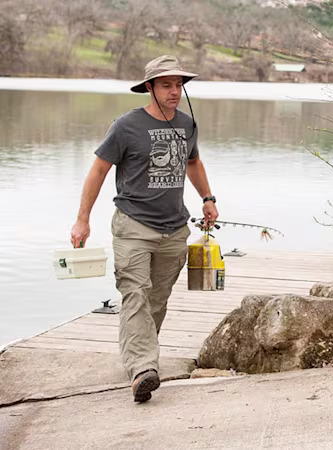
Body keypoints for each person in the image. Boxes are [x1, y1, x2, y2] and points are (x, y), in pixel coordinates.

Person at [70, 55, 219, 403]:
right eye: (166, 84)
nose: (174, 91)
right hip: (133, 225)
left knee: (156, 300)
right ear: (149, 87)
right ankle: (142, 369)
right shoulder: (125, 126)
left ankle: (139, 359)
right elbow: (98, 171)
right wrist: (82, 219)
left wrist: (208, 198)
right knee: (135, 293)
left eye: (179, 84)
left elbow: (193, 162)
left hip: (174, 228)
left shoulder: (187, 124)